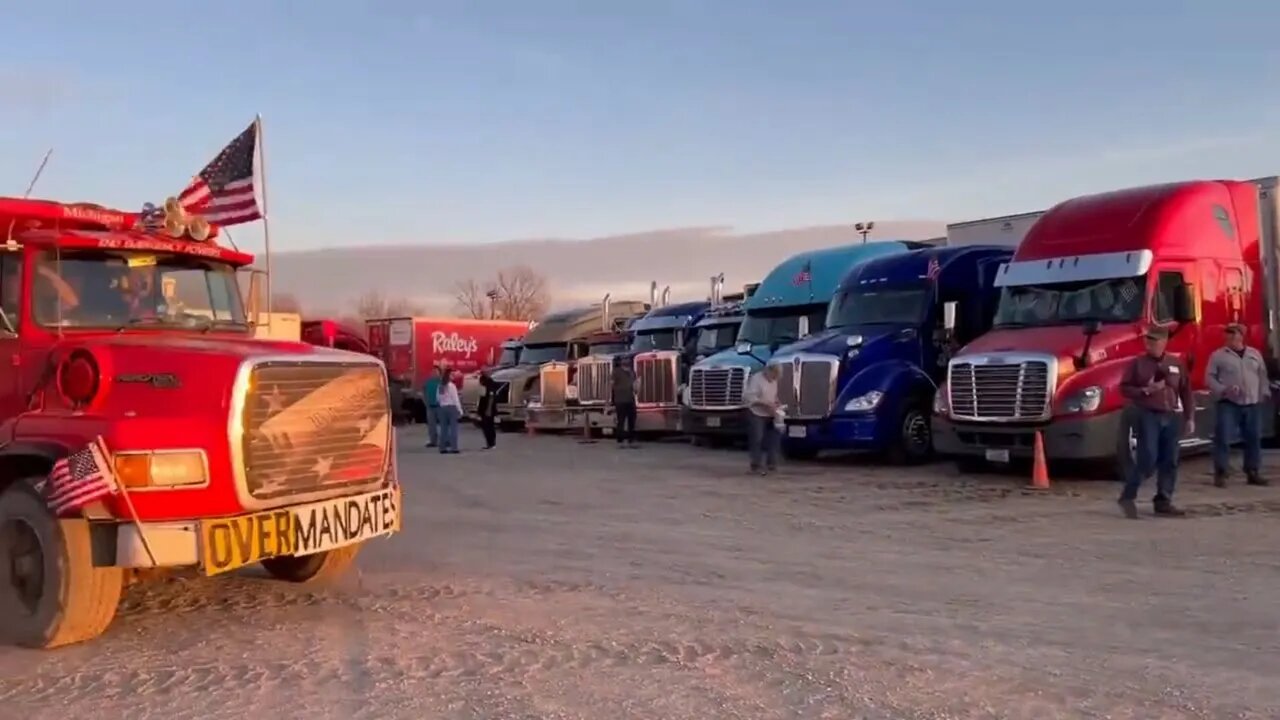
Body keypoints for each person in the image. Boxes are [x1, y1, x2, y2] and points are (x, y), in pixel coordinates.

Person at [1117, 326, 1194, 518]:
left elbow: (1186, 392)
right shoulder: (1138, 364)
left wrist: (1190, 417)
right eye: (1147, 341)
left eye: (1153, 341)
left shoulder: (1175, 363)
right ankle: (1128, 495)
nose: (1149, 345)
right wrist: (1145, 390)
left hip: (1171, 415)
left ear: (1163, 342)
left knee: (1170, 460)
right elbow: (1124, 388)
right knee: (1148, 459)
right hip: (1147, 414)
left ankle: (1163, 501)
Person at [1207, 324, 1271, 487]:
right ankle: (1221, 473)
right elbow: (1209, 378)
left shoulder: (1254, 354)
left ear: (1242, 338)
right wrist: (1223, 390)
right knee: (1223, 438)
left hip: (1252, 403)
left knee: (1253, 438)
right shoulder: (1218, 356)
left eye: (1235, 337)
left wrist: (1264, 391)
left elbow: (1262, 374)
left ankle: (1253, 471)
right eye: (1228, 338)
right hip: (1229, 404)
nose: (1231, 341)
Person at [743, 364, 783, 475]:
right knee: (757, 438)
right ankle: (756, 465)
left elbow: (773, 395)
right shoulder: (756, 379)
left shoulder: (774, 381)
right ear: (768, 371)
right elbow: (749, 397)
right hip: (757, 413)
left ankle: (772, 463)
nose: (774, 379)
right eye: (773, 375)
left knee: (774, 438)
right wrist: (764, 403)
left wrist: (777, 403)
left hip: (770, 413)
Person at [612, 357, 638, 448]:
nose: (626, 361)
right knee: (621, 421)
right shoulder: (616, 372)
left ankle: (631, 440)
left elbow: (635, 384)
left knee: (632, 420)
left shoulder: (632, 372)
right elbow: (611, 384)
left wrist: (636, 389)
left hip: (630, 400)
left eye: (628, 359)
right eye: (624, 359)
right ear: (621, 361)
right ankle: (620, 441)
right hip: (620, 400)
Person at [436, 368, 462, 454]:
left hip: (442, 408)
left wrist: (442, 404)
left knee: (443, 429)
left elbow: (438, 398)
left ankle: (442, 448)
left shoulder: (441, 385)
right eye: (452, 375)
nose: (453, 376)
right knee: (453, 428)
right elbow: (455, 399)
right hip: (452, 408)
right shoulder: (452, 386)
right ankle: (454, 448)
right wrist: (460, 410)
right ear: (449, 375)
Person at [477, 372, 499, 450]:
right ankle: (489, 443)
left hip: (488, 410)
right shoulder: (485, 386)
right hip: (484, 409)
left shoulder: (490, 386)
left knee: (489, 427)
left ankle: (492, 443)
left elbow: (491, 398)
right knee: (486, 427)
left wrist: (488, 409)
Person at [422, 366, 442, 448]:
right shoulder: (428, 382)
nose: (434, 373)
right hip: (430, 406)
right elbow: (424, 392)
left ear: (439, 373)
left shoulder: (441, 382)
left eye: (436, 372)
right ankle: (433, 441)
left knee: (443, 425)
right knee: (431, 425)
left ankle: (445, 440)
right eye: (433, 371)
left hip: (440, 406)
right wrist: (425, 402)